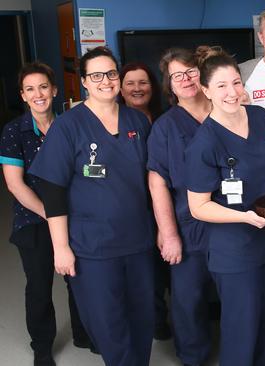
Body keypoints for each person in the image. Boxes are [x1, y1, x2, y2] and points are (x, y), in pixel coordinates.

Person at [28, 46, 155, 366]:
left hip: (138, 241)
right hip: (92, 245)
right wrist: (61, 248)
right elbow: (53, 190)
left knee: (142, 317)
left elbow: (153, 180)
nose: (106, 81)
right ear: (84, 81)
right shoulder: (68, 126)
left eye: (111, 73)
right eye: (96, 75)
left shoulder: (136, 121)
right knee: (107, 322)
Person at [185, 46, 265, 366]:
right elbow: (198, 207)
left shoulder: (259, 117)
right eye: (221, 86)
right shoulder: (204, 142)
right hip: (234, 249)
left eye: (235, 83)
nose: (232, 92)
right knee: (242, 328)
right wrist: (244, 217)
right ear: (205, 90)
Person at [0, 62, 94, 365]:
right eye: (30, 89)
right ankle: (42, 346)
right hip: (34, 219)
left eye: (43, 87)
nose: (38, 94)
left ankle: (83, 333)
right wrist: (51, 216)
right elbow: (15, 185)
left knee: (79, 278)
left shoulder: (71, 125)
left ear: (54, 90)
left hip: (75, 215)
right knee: (39, 284)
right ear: (23, 96)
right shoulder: (14, 131)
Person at [147, 47, 214, 366]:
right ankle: (194, 357)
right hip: (190, 227)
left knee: (239, 297)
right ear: (170, 85)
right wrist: (168, 233)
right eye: (177, 75)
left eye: (191, 71)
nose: (186, 79)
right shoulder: (165, 127)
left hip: (234, 221)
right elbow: (157, 181)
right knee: (188, 300)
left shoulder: (227, 109)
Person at [118, 61, 172, 341]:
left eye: (144, 83)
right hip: (135, 208)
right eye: (131, 83)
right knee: (146, 270)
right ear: (120, 88)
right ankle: (155, 320)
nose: (138, 89)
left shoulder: (165, 119)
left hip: (168, 205)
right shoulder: (113, 122)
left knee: (171, 265)